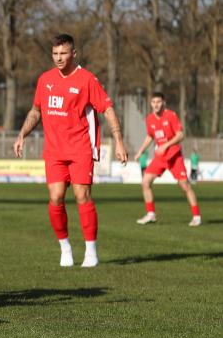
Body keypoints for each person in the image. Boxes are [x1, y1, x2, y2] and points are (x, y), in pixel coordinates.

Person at [13, 34, 128, 268]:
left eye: (63, 53)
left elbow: (107, 109)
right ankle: (65, 248)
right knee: (55, 197)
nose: (58, 58)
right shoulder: (45, 80)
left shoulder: (87, 80)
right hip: (54, 151)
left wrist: (119, 141)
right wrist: (22, 134)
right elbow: (36, 111)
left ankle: (90, 251)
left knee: (81, 196)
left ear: (74, 53)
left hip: (80, 149)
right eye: (55, 54)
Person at [133, 93, 201, 227]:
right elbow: (150, 136)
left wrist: (166, 145)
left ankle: (197, 216)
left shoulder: (171, 115)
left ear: (164, 103)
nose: (156, 104)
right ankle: (151, 214)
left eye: (158, 102)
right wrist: (140, 151)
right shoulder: (150, 119)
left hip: (174, 156)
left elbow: (180, 135)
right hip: (160, 158)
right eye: (153, 102)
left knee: (185, 186)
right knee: (145, 182)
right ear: (150, 104)